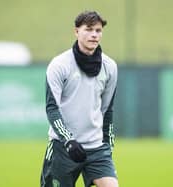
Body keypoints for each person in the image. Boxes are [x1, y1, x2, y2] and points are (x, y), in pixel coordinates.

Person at [40, 10, 118, 187]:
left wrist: (108, 143)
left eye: (98, 30)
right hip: (63, 147)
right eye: (89, 29)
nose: (94, 35)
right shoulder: (59, 65)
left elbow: (107, 110)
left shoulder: (110, 67)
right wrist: (68, 140)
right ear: (76, 31)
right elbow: (52, 108)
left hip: (96, 148)